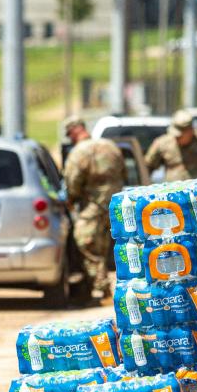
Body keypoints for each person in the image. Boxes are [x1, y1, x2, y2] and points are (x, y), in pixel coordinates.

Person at [62, 115, 127, 300]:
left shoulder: (79, 152)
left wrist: (71, 200)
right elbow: (124, 173)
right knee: (104, 244)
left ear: (75, 131)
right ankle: (103, 285)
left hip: (93, 205)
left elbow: (72, 182)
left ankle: (101, 287)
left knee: (84, 241)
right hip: (114, 204)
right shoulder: (110, 146)